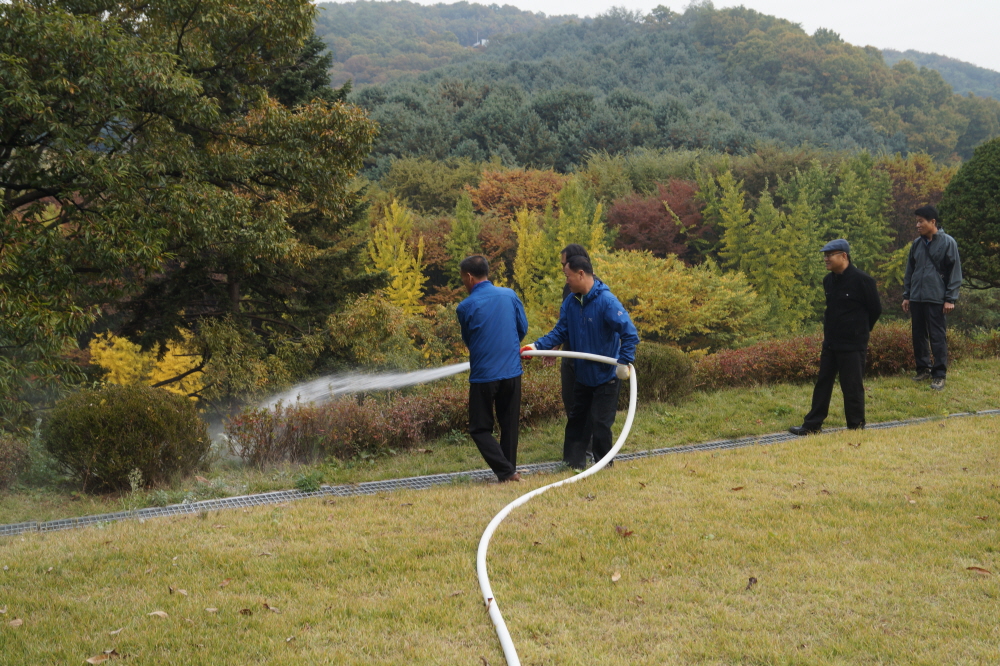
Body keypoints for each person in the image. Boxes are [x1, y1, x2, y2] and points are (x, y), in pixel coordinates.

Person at [522, 255, 639, 469]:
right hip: (583, 375)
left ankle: (603, 466)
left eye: (568, 276)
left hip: (606, 376)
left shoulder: (607, 302)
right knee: (577, 422)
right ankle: (572, 464)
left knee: (601, 424)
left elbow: (630, 333)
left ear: (581, 274)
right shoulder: (571, 302)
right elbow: (560, 331)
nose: (566, 281)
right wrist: (537, 347)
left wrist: (624, 362)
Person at [789, 239, 882, 436]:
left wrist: (860, 331)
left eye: (830, 255)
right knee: (823, 382)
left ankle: (856, 426)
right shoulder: (828, 280)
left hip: (853, 343)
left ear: (844, 256)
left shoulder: (863, 280)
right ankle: (812, 425)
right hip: (831, 342)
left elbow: (875, 310)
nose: (826, 259)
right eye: (824, 255)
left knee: (852, 386)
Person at [456, 255, 529, 483]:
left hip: (484, 376)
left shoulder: (465, 306)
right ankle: (509, 472)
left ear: (469, 277)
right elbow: (522, 328)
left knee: (479, 428)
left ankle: (506, 472)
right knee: (509, 425)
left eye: (463, 279)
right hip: (512, 371)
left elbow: (469, 340)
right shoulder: (510, 295)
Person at [902, 205, 962, 391]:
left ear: (932, 222)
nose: (917, 225)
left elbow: (955, 272)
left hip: (936, 297)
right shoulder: (917, 244)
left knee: (937, 336)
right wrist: (907, 295)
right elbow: (910, 271)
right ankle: (923, 369)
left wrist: (950, 298)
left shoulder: (948, 242)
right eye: (917, 221)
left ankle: (939, 374)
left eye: (921, 221)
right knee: (918, 335)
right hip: (917, 298)